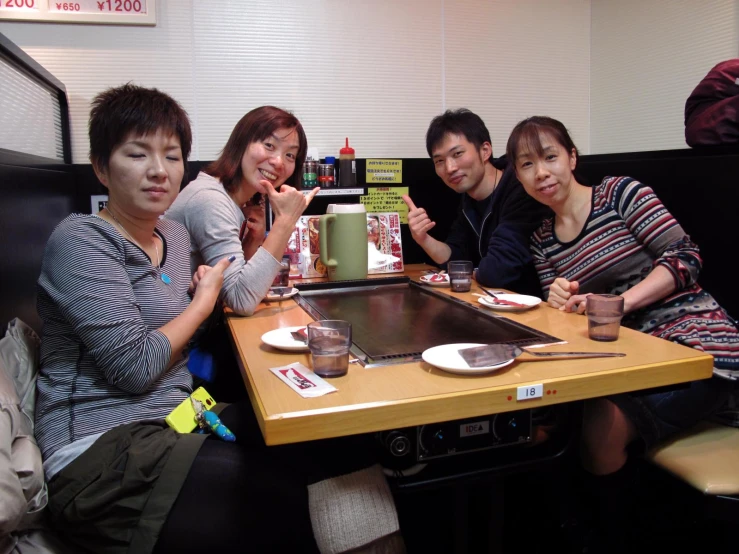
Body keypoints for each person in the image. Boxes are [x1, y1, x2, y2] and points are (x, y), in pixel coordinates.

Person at [35, 84, 402, 554]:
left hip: (179, 413)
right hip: (100, 452)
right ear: (102, 167)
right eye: (136, 154)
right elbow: (135, 367)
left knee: (339, 443)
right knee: (285, 495)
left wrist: (216, 285)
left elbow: (215, 306)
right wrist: (202, 303)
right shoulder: (82, 241)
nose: (157, 171)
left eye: (170, 156)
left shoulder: (171, 233)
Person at [506, 115, 738, 549]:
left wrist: (621, 303)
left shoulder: (619, 194)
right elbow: (566, 316)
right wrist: (559, 300)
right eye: (525, 165)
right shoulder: (541, 239)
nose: (541, 173)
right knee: (546, 424)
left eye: (550, 157)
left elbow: (685, 256)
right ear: (517, 178)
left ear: (572, 158)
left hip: (699, 346)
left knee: (600, 428)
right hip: (629, 357)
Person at [166, 106, 319, 318]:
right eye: (269, 145)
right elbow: (241, 300)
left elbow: (235, 282)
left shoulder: (232, 199)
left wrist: (252, 242)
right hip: (179, 344)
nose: (278, 161)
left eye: (290, 155)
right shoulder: (210, 200)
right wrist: (285, 221)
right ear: (241, 143)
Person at [401, 108, 549, 297]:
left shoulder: (521, 189)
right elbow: (455, 258)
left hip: (534, 311)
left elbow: (496, 272)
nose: (450, 168)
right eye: (439, 161)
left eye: (457, 154)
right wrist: (423, 239)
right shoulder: (468, 200)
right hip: (496, 306)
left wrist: (472, 273)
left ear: (485, 150)